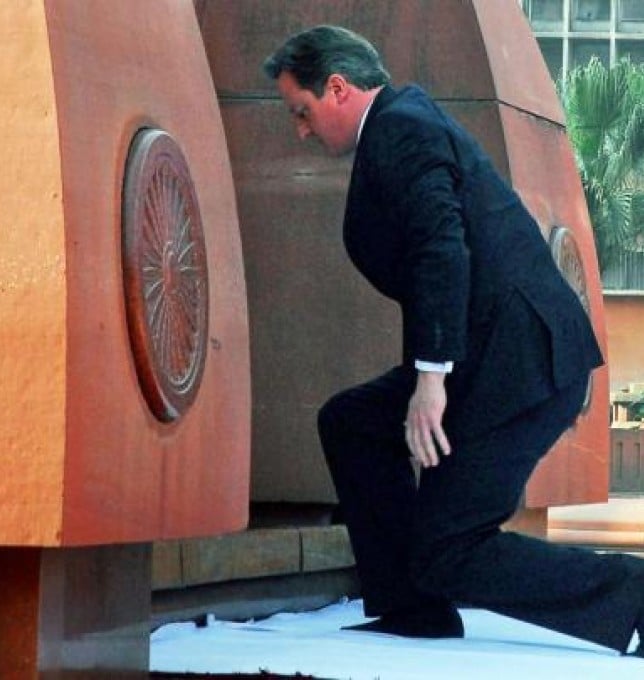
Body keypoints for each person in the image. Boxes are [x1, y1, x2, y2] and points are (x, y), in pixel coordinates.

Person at [262, 25, 644, 656]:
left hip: (521, 365)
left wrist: (430, 378)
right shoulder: (398, 125)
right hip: (487, 360)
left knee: (450, 550)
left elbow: (442, 250)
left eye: (301, 111)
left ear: (337, 88)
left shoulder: (401, 129)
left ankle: (634, 596)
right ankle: (413, 609)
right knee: (353, 423)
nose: (300, 130)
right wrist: (431, 376)